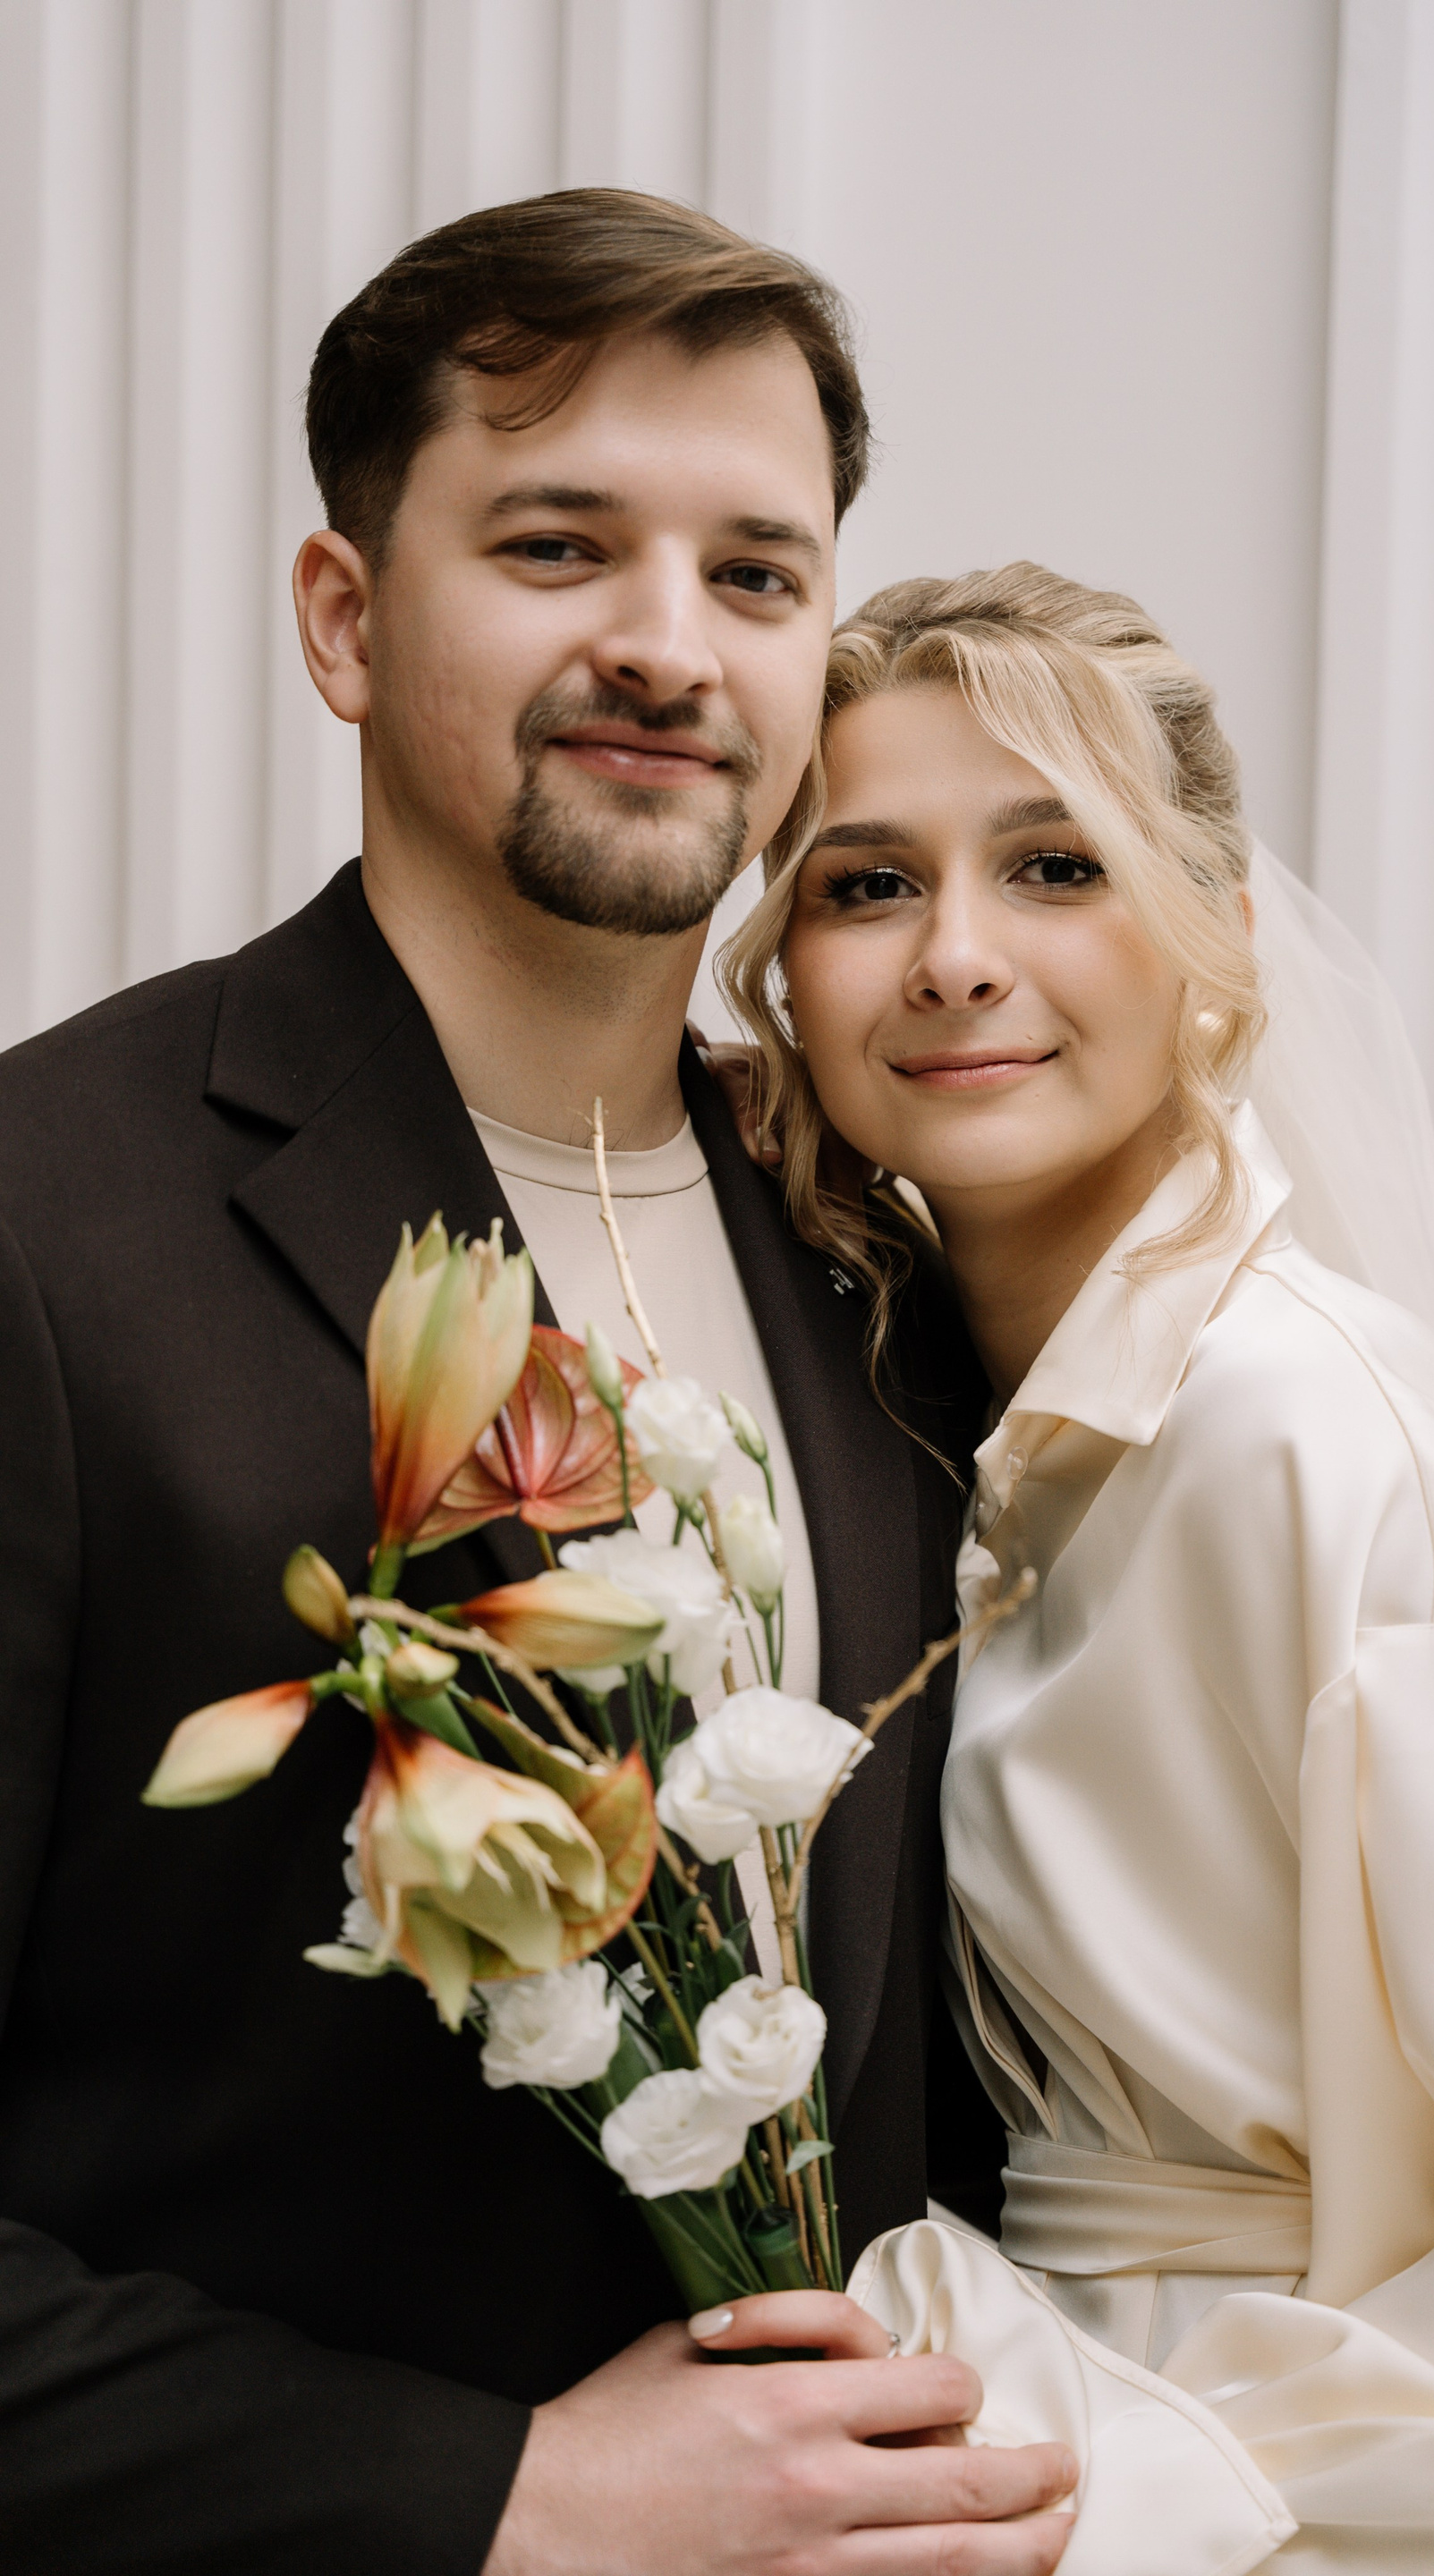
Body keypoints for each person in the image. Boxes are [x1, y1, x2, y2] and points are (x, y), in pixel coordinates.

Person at [0, 199, 1076, 2573]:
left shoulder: (889, 1277)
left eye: (756, 575)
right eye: (558, 544)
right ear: (345, 618)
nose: (668, 644)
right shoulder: (46, 1231)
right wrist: (503, 2499)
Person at [708, 561, 1434, 2573]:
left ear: (1218, 938)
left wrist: (1154, 2496)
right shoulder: (962, 1435)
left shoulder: (1298, 1432)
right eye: (869, 884)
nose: (956, 958)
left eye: (1055, 869)